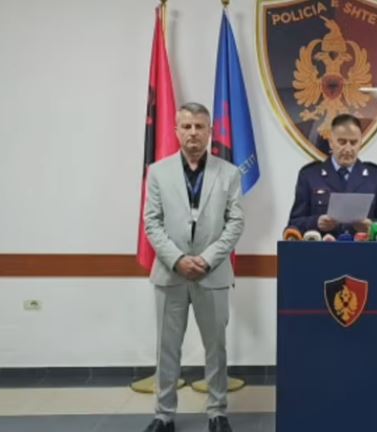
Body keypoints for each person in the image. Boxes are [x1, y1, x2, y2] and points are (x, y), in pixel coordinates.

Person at [143, 102, 244, 432]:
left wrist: (207, 258)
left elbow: (235, 222)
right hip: (170, 273)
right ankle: (163, 414)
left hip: (212, 273)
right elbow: (152, 222)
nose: (193, 133)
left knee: (216, 347)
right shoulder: (158, 172)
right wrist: (177, 259)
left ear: (210, 131)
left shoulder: (229, 173)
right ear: (176, 131)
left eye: (200, 126)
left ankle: (217, 412)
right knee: (166, 348)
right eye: (186, 126)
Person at [287, 113, 377, 236]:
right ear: (331, 142)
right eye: (342, 142)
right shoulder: (309, 175)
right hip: (324, 247)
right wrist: (316, 223)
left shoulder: (376, 176)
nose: (348, 149)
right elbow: (294, 223)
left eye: (353, 142)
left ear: (361, 143)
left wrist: (371, 226)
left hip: (362, 247)